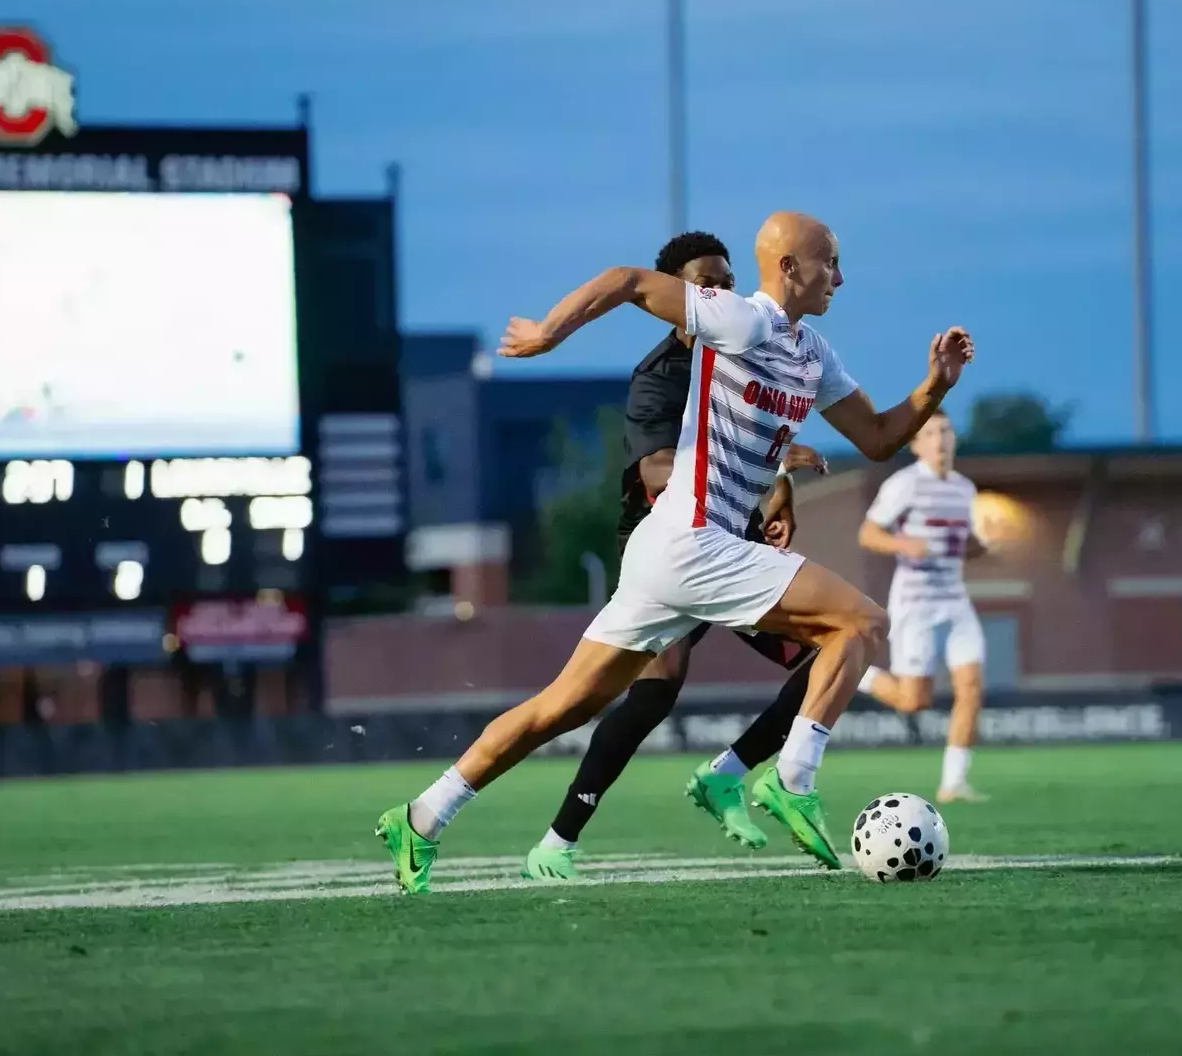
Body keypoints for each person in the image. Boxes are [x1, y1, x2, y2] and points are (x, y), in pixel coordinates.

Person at [377, 211, 974, 893]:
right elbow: (630, 281)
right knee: (861, 623)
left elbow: (875, 436)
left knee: (561, 708)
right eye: (829, 262)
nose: (840, 276)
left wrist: (936, 386)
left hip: (671, 552)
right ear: (788, 269)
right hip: (692, 543)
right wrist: (548, 332)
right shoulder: (741, 321)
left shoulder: (813, 353)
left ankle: (422, 816)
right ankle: (791, 779)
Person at [522, 231, 828, 882]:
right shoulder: (659, 377)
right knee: (649, 694)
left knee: (824, 658)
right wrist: (779, 466)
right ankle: (559, 838)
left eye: (723, 279)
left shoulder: (745, 350)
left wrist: (780, 486)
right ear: (676, 294)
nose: (716, 291)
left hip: (729, 539)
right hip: (668, 548)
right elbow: (661, 472)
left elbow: (758, 442)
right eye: (702, 282)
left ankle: (730, 773)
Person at [854, 411, 991, 802]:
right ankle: (856, 672)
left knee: (971, 688)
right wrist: (904, 545)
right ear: (916, 444)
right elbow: (868, 533)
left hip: (954, 600)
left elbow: (964, 545)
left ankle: (954, 783)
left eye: (946, 430)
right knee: (914, 701)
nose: (940, 439)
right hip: (915, 603)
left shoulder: (965, 489)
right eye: (930, 433)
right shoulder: (905, 484)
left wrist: (985, 544)